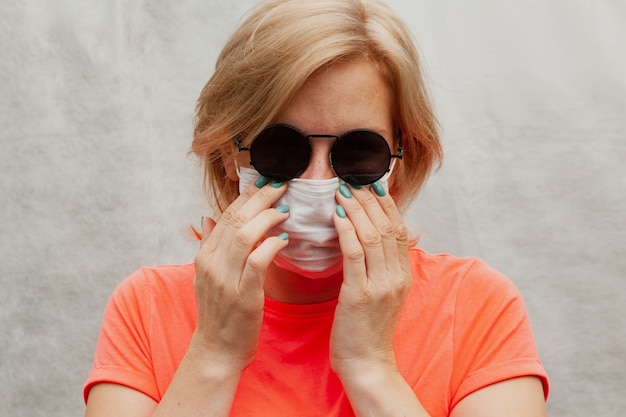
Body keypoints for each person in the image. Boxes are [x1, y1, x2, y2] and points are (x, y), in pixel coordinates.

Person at [83, 0, 549, 416]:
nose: (318, 183)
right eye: (280, 150)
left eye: (358, 152)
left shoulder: (474, 306)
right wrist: (213, 354)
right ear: (229, 154)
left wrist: (371, 369)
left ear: (401, 161)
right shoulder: (147, 306)